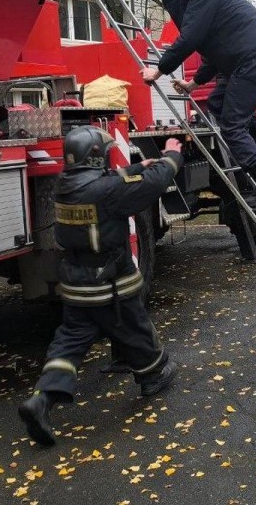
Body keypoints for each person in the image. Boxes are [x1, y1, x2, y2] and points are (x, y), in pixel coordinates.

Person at [18, 126, 184, 446]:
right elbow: (153, 184)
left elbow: (109, 184)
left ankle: (42, 399)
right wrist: (172, 155)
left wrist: (136, 167)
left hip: (76, 285)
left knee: (68, 344)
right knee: (134, 328)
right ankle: (152, 375)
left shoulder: (65, 185)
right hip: (109, 284)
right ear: (94, 157)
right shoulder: (107, 192)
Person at [140, 0, 256, 208]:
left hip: (253, 60)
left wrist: (157, 71)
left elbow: (188, 39)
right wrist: (192, 85)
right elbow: (214, 57)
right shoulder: (205, 1)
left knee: (232, 125)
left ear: (174, 3)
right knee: (217, 102)